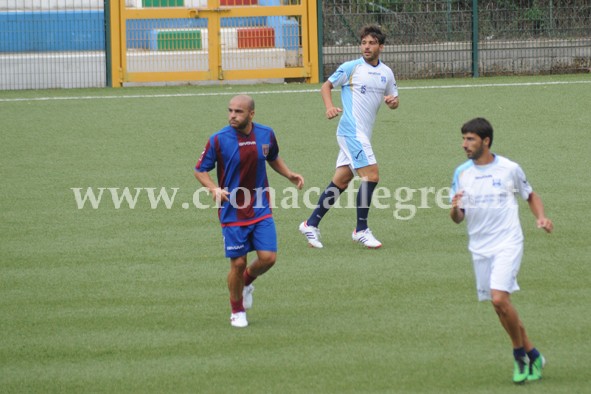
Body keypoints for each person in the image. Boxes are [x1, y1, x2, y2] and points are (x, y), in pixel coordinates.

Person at [450, 117, 553, 383]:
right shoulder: (462, 173)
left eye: (470, 139)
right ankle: (534, 354)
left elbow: (530, 194)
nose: (465, 144)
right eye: (463, 139)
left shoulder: (509, 169)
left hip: (508, 242)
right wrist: (454, 208)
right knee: (501, 308)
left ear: (486, 141)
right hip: (479, 247)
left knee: (499, 299)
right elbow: (458, 218)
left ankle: (519, 357)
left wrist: (540, 217)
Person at [194, 94, 304, 328]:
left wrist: (289, 174)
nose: (232, 115)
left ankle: (246, 283)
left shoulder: (265, 134)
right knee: (238, 263)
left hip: (260, 205)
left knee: (268, 258)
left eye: (238, 112)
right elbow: (200, 170)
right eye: (230, 110)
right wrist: (214, 189)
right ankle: (237, 310)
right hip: (232, 211)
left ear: (251, 114)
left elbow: (272, 157)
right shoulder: (218, 139)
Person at [298, 24, 399, 249]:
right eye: (363, 42)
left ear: (381, 46)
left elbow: (394, 99)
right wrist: (329, 107)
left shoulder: (386, 73)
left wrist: (393, 102)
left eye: (372, 43)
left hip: (363, 134)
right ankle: (361, 230)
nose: (366, 46)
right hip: (350, 131)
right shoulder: (351, 67)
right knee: (371, 175)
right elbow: (326, 86)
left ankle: (310, 223)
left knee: (342, 180)